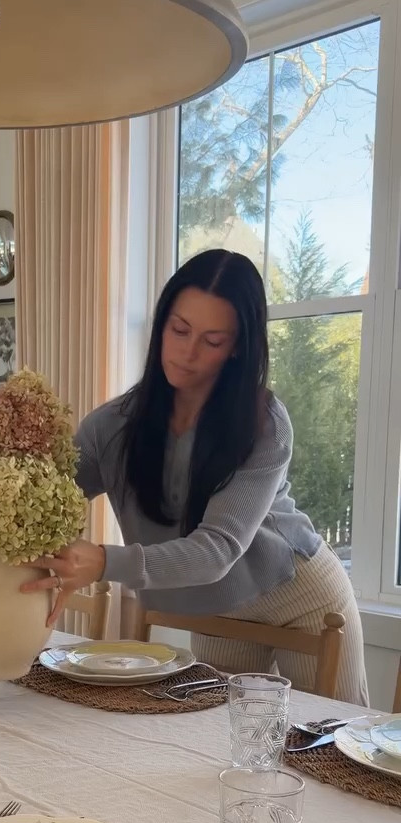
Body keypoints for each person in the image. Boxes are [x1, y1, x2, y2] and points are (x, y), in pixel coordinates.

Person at [22, 248, 369, 705]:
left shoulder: (264, 423)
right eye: (180, 330)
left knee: (334, 738)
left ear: (238, 347)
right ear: (161, 325)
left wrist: (105, 562)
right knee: (215, 736)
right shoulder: (112, 426)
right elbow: (40, 499)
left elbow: (217, 550)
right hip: (218, 607)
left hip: (302, 598)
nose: (187, 353)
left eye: (212, 341)